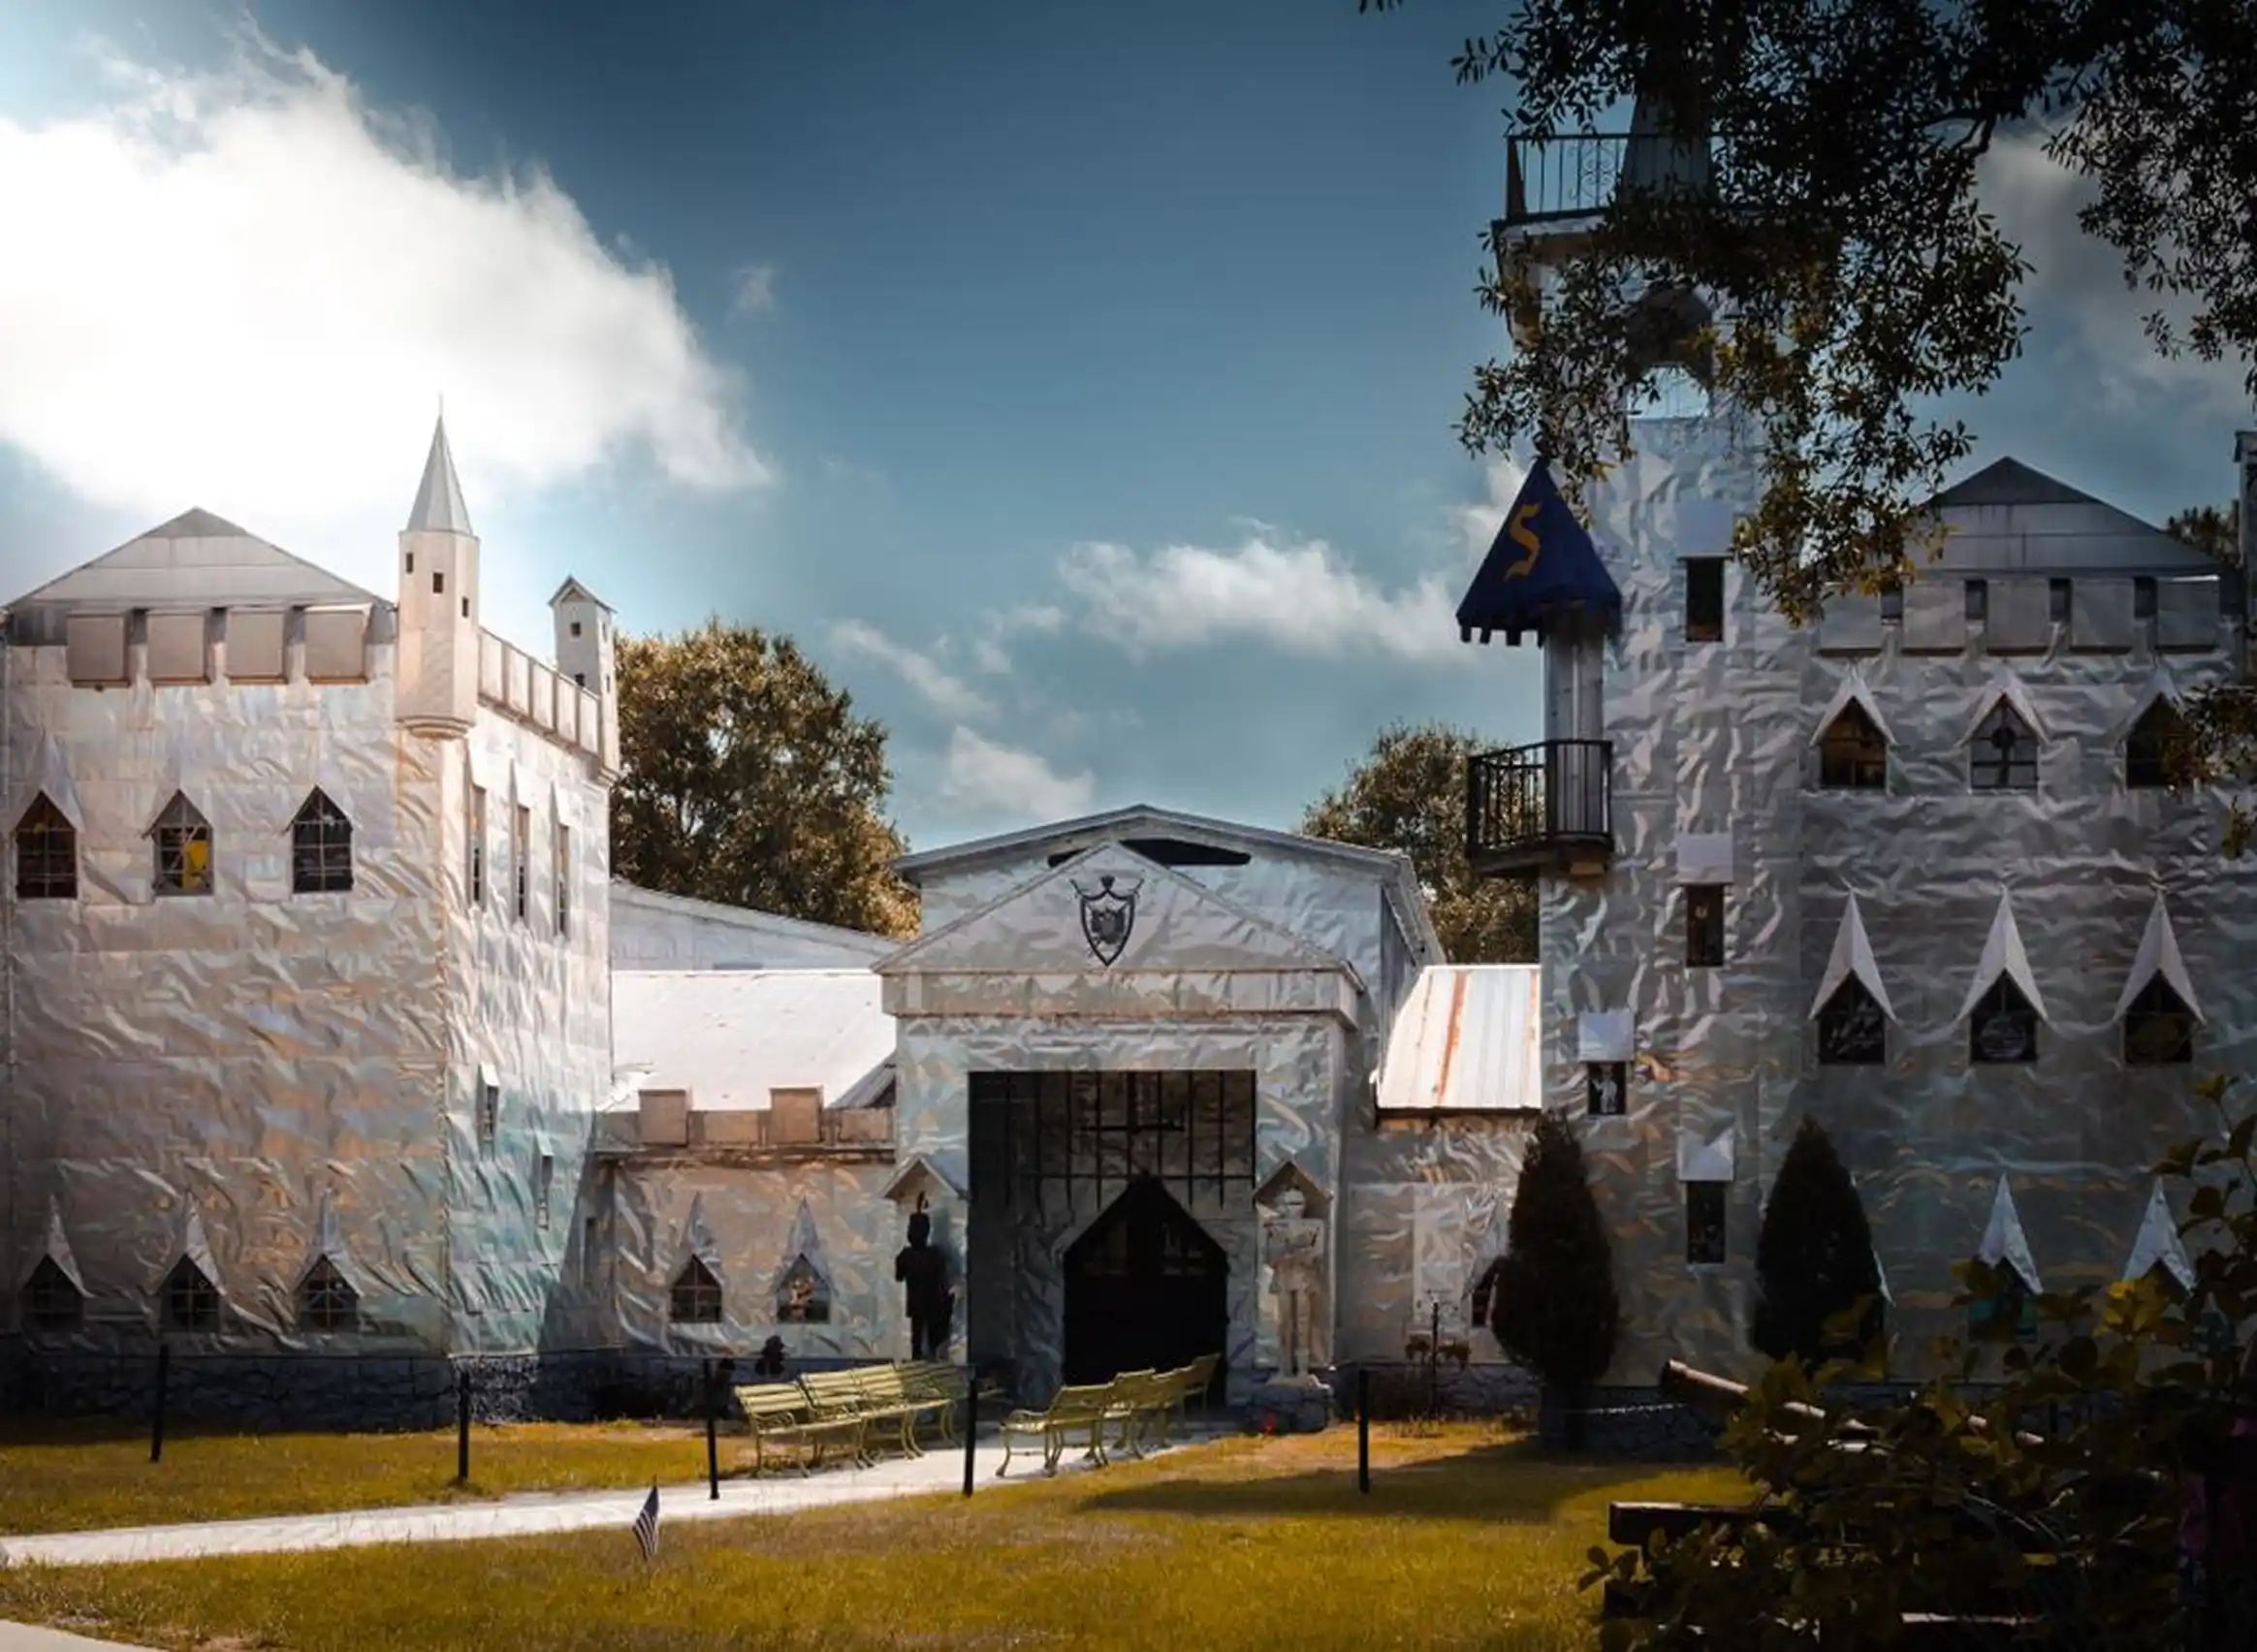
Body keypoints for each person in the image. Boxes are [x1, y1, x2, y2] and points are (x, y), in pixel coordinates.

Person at [895, 1196, 953, 1360]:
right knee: (927, 1335)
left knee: (918, 1335)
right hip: (932, 1301)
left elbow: (899, 1276)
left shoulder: (906, 1256)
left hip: (919, 1300)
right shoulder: (934, 1255)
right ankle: (926, 1357)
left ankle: (920, 1358)